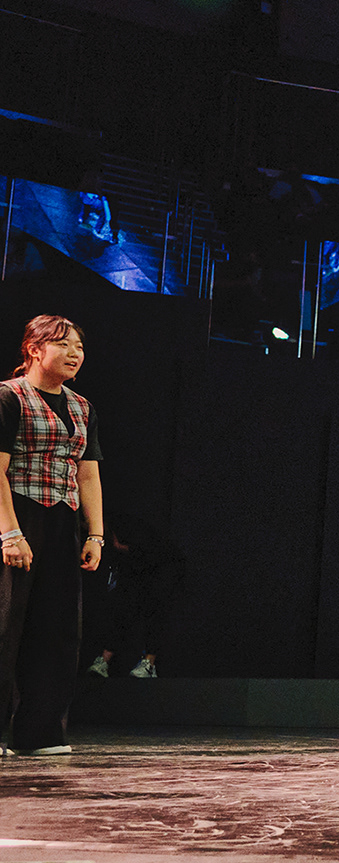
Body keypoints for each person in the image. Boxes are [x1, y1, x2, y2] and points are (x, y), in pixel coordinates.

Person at [0, 316, 105, 756]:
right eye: (63, 344)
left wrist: (95, 534)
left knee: (57, 629)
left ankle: (40, 733)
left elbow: (88, 473)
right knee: (6, 623)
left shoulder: (82, 407)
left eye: (78, 346)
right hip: (18, 513)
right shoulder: (9, 397)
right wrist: (10, 533)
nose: (74, 353)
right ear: (34, 349)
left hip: (63, 520)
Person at [85, 514, 183, 680]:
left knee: (153, 610)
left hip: (159, 568)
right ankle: (103, 661)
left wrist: (118, 546)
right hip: (134, 568)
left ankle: (149, 664)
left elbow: (151, 552)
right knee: (120, 609)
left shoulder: (132, 528)